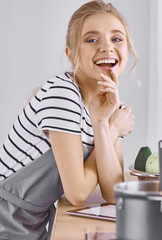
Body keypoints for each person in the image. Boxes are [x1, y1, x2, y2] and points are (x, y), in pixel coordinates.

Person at [0, 1, 136, 239]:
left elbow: (114, 192)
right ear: (71, 54)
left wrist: (104, 124)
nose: (107, 47)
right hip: (6, 218)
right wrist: (110, 129)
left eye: (117, 39)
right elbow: (77, 193)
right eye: (91, 40)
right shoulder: (62, 94)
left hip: (31, 222)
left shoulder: (110, 103)